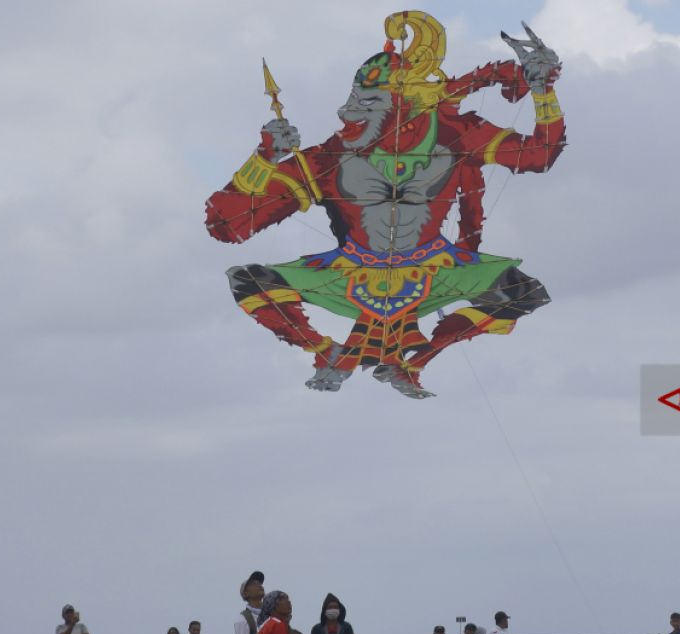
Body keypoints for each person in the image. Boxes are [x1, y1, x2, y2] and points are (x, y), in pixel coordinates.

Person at [205, 12, 565, 399]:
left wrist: (543, 91)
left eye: (366, 101)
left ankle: (416, 361)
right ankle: (327, 352)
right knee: (249, 281)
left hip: (435, 267)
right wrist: (263, 158)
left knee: (523, 292)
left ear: (402, 101)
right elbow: (227, 225)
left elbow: (538, 156)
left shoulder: (456, 135)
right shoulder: (330, 156)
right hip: (350, 273)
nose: (346, 112)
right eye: (353, 98)